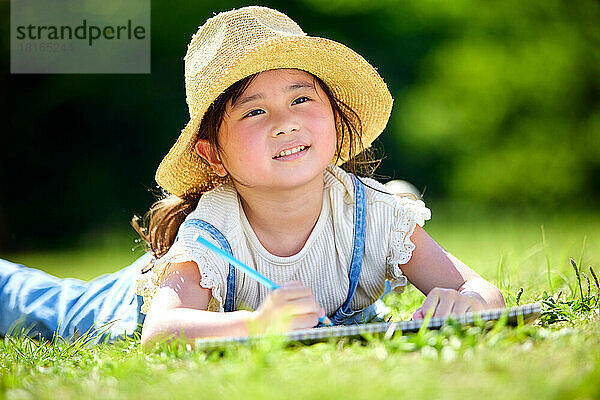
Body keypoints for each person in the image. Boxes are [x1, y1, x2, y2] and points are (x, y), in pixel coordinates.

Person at [0, 6, 505, 347]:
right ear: (213, 154)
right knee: (41, 306)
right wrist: (258, 325)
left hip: (325, 299)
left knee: (357, 308)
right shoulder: (212, 232)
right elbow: (162, 330)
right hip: (140, 301)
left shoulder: (373, 213)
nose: (285, 121)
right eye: (254, 112)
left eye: (302, 98)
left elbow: (485, 293)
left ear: (334, 117)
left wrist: (462, 304)